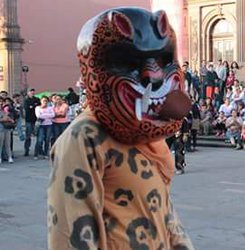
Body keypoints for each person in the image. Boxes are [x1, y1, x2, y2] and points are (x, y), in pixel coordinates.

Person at [47, 8, 193, 249]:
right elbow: (71, 232)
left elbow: (165, 215)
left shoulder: (149, 139)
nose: (154, 75)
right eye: (130, 63)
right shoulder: (84, 137)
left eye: (162, 60)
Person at [23, 88, 40, 156]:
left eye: (33, 92)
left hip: (36, 119)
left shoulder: (37, 99)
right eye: (31, 92)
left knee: (38, 135)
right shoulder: (26, 100)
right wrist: (33, 105)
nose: (32, 93)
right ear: (28, 93)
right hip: (28, 120)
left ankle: (38, 149)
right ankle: (26, 149)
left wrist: (32, 106)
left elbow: (38, 105)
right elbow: (27, 108)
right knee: (28, 136)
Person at [0, 98, 14, 163]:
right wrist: (4, 119)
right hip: (1, 129)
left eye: (2, 102)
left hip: (7, 128)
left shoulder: (4, 110)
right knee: (1, 144)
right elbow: (4, 119)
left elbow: (8, 117)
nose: (0, 103)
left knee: (7, 143)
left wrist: (10, 120)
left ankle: (9, 157)